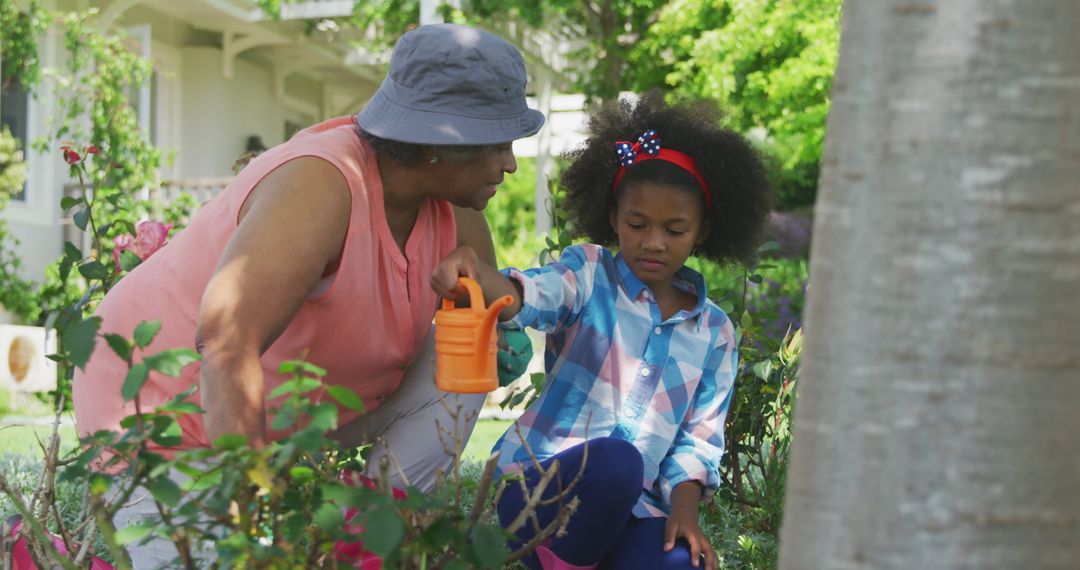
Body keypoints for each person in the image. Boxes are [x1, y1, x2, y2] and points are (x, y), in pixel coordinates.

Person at [72, 23, 543, 565]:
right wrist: (251, 524)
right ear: (440, 142)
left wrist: (497, 325)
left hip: (297, 406)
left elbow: (477, 304)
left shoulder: (452, 203)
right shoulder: (322, 182)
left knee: (467, 354)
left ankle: (372, 532)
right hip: (160, 410)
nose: (509, 164)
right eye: (498, 143)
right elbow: (228, 344)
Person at [430, 92, 772, 570]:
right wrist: (479, 273)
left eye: (675, 230)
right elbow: (533, 296)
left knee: (679, 562)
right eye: (637, 224)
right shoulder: (589, 276)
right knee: (618, 462)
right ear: (613, 218)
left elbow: (699, 440)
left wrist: (685, 515)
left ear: (703, 231)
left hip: (634, 513)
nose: (653, 243)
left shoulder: (715, 332)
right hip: (536, 497)